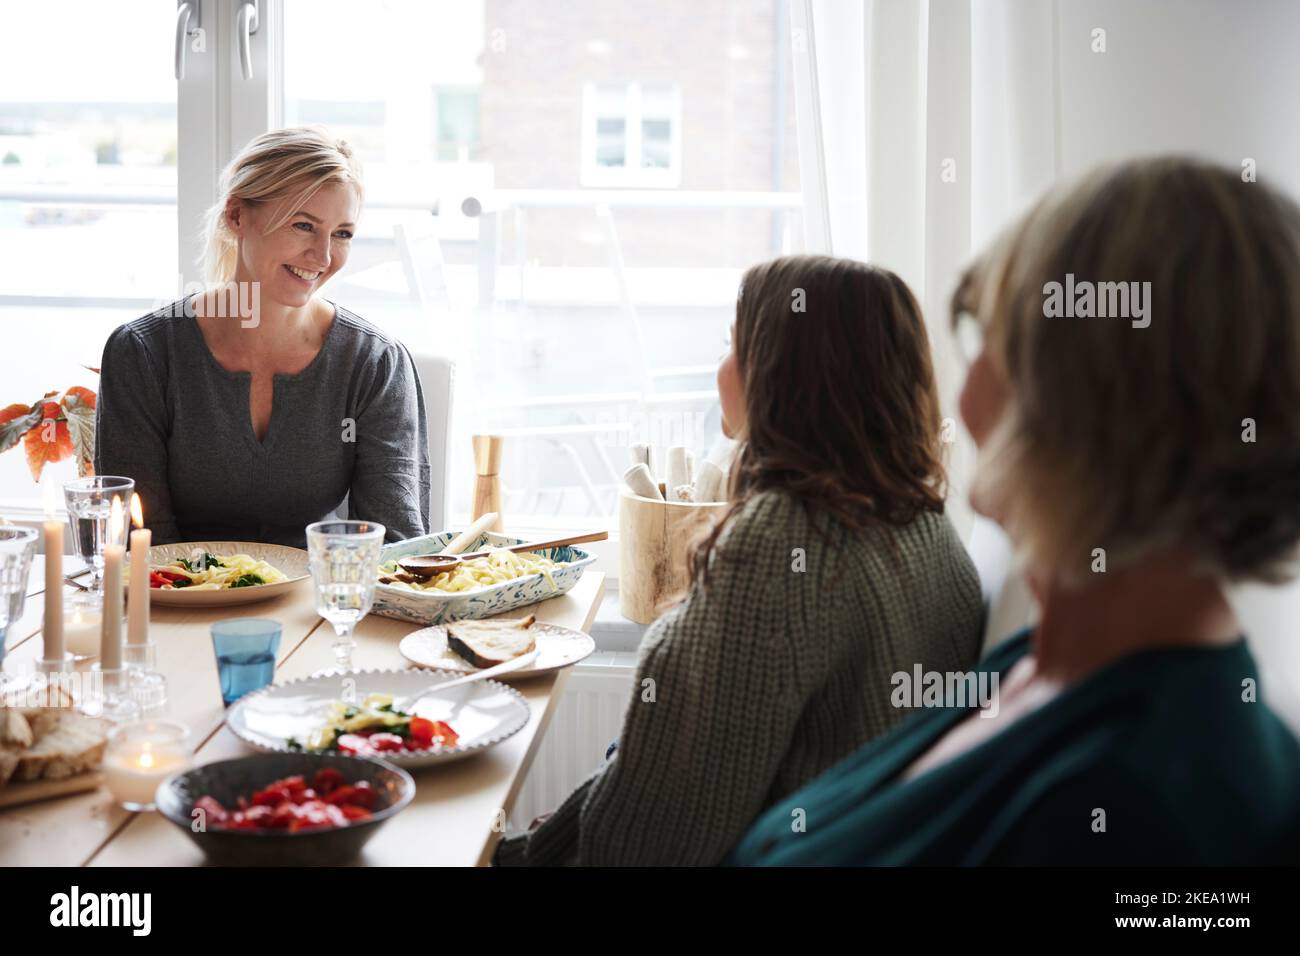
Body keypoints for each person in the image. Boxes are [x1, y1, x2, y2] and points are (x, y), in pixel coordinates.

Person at [734, 158, 1300, 865]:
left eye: (986, 335)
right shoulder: (1041, 659)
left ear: (1085, 398)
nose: (961, 388)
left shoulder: (1140, 812)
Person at [495, 255, 983, 866]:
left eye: (733, 344)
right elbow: (662, 775)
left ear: (785, 372)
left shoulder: (783, 543)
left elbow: (653, 841)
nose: (720, 367)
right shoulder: (923, 521)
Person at [95, 126, 431, 546]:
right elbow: (138, 543)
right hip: (176, 602)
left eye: (342, 233)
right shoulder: (143, 354)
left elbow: (396, 549)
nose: (324, 256)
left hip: (318, 604)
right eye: (303, 225)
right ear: (236, 216)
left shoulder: (374, 363)